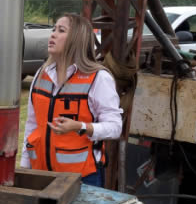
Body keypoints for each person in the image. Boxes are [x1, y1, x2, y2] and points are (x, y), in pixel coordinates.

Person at [20, 13, 123, 188]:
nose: (53, 34)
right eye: (53, 29)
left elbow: (115, 127)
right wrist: (24, 167)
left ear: (77, 39)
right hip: (41, 175)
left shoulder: (98, 78)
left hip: (82, 179)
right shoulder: (41, 74)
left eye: (61, 30)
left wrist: (81, 127)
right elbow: (31, 125)